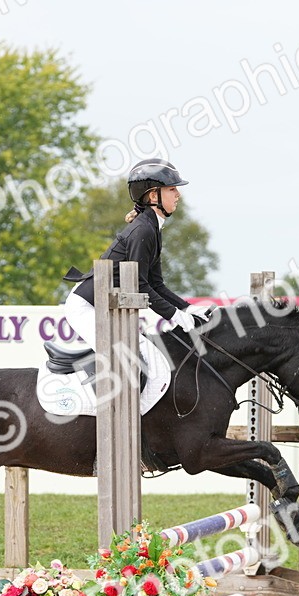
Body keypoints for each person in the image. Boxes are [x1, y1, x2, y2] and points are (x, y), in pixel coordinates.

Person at [62, 159, 209, 411]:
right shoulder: (142, 231)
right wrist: (174, 315)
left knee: (144, 358)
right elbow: (139, 287)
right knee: (130, 362)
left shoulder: (153, 228)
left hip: (105, 306)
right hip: (87, 307)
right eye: (172, 189)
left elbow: (156, 284)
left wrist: (186, 309)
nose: (178, 194)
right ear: (154, 195)